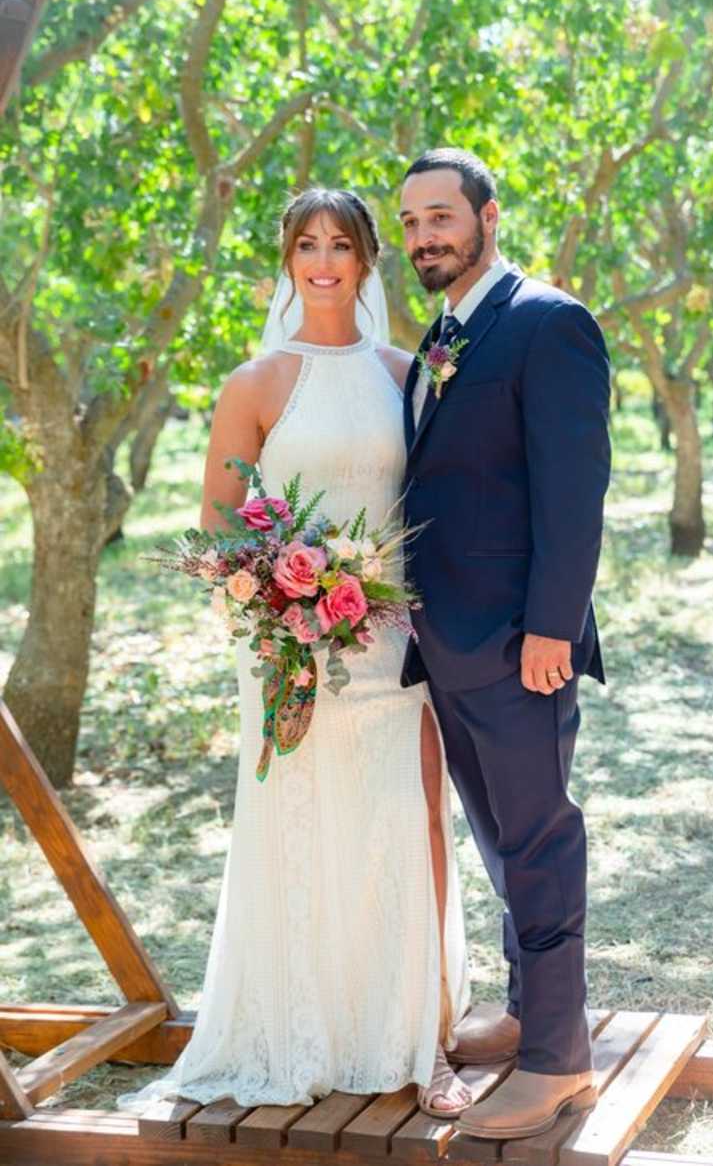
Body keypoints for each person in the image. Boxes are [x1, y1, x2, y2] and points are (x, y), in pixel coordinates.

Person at [117, 188, 472, 1117]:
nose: (323, 262)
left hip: (394, 642)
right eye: (306, 245)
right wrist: (281, 597)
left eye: (341, 245)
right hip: (289, 651)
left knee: (410, 825)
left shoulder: (406, 374)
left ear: (366, 261)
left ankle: (423, 1037)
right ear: (287, 261)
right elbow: (218, 528)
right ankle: (304, 1030)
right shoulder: (257, 384)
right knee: (303, 831)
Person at [399, 148, 611, 1139]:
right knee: (497, 839)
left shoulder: (548, 322)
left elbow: (574, 495)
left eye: (440, 216)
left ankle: (558, 1060)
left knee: (537, 839)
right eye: (410, 223)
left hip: (521, 642)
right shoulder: (443, 334)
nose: (423, 237)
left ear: (488, 216)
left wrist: (549, 628)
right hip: (447, 642)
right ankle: (529, 1007)